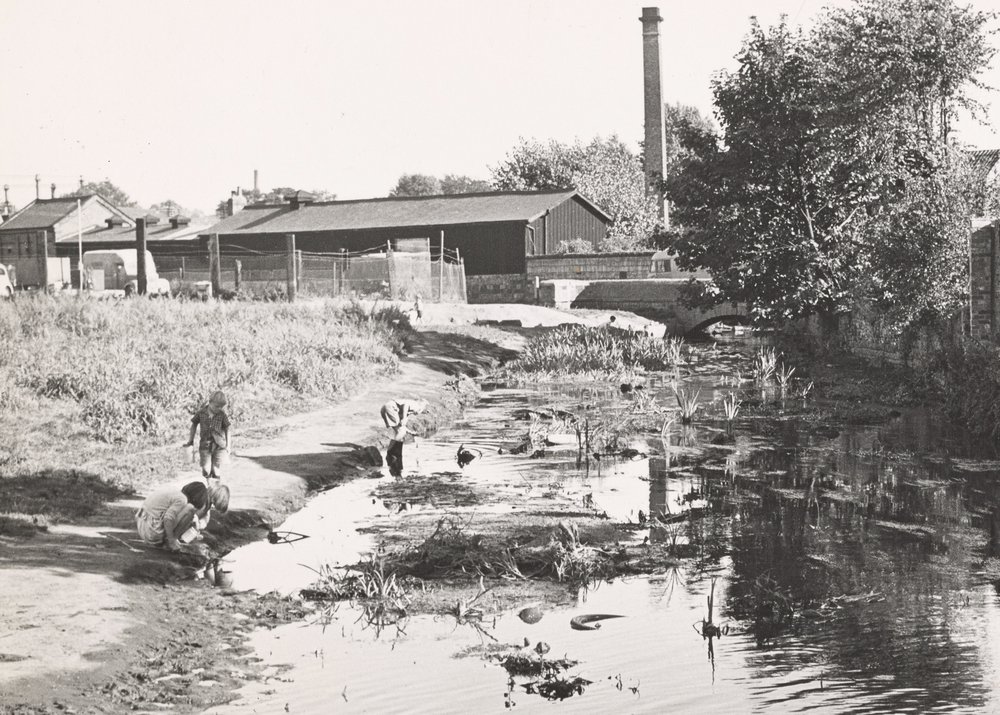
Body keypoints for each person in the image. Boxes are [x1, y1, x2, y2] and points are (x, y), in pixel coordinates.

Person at [135, 482, 210, 552]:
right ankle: (171, 542)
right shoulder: (182, 499)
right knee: (190, 510)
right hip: (151, 532)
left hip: (142, 525)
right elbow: (168, 518)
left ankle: (168, 539)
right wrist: (171, 540)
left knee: (185, 511)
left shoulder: (175, 492)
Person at [185, 391, 231, 481]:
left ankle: (214, 489)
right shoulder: (201, 413)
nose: (219, 409)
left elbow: (227, 429)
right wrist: (190, 440)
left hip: (219, 446)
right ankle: (208, 481)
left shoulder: (222, 415)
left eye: (221, 407)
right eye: (217, 406)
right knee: (206, 469)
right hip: (205, 445)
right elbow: (194, 425)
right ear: (210, 402)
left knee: (216, 469)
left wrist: (228, 446)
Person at [379, 398, 428, 477]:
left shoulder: (407, 411)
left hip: (385, 408)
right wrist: (405, 417)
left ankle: (393, 457)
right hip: (391, 407)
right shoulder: (415, 404)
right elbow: (406, 405)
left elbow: (401, 427)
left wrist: (410, 432)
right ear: (421, 406)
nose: (418, 413)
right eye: (420, 411)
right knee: (401, 432)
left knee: (400, 431)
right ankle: (391, 453)